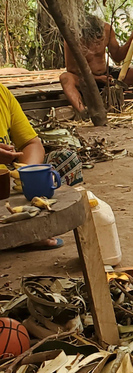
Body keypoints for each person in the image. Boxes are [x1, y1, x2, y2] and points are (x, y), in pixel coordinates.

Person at [1, 82, 84, 249]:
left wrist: (27, 173)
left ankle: (25, 227)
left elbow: (32, 143)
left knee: (66, 160)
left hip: (6, 185)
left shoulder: (2, 93)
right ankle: (22, 233)